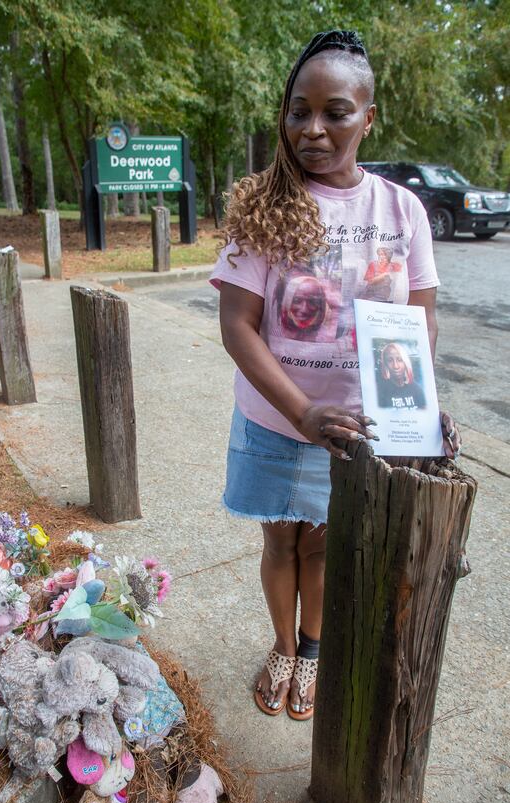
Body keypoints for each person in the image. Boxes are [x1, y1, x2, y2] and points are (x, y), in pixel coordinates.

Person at [210, 30, 460, 722]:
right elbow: (237, 326)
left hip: (356, 423)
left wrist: (421, 404)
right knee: (280, 538)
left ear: (368, 118)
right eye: (298, 110)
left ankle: (314, 650)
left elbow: (420, 320)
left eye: (335, 111)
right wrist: (299, 413)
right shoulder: (264, 202)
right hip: (274, 419)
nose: (312, 128)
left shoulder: (401, 210)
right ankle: (283, 646)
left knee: (322, 543)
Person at [377, 342, 426, 409]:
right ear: (385, 365)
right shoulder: (380, 391)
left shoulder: (416, 390)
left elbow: (425, 413)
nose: (396, 366)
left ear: (406, 362)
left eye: (400, 360)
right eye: (390, 360)